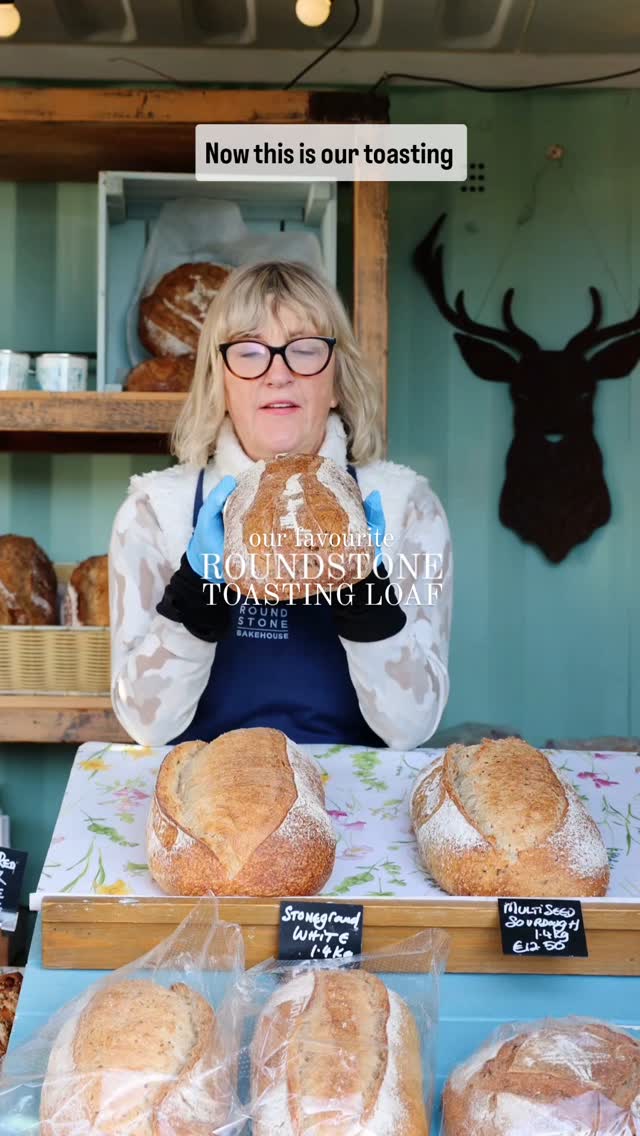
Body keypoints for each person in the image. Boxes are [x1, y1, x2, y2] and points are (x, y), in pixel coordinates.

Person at [109, 259, 452, 749]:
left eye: (305, 349)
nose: (278, 374)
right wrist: (194, 593)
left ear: (336, 382)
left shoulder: (407, 510)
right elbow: (146, 725)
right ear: (220, 381)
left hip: (353, 807)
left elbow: (412, 728)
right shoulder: (155, 513)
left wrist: (364, 591)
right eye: (249, 352)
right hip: (214, 803)